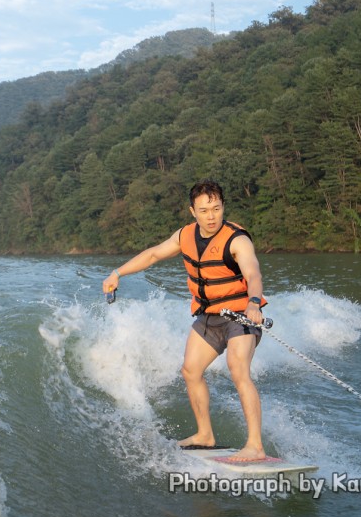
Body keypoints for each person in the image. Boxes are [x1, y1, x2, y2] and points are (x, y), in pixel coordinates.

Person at [102, 180, 268, 462]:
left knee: (238, 369)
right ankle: (205, 435)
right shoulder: (185, 236)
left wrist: (253, 303)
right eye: (204, 210)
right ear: (193, 211)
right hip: (208, 317)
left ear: (223, 207)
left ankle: (255, 446)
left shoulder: (236, 239)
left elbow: (253, 273)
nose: (211, 216)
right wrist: (118, 273)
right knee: (190, 371)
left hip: (241, 315)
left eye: (216, 208)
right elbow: (153, 254)